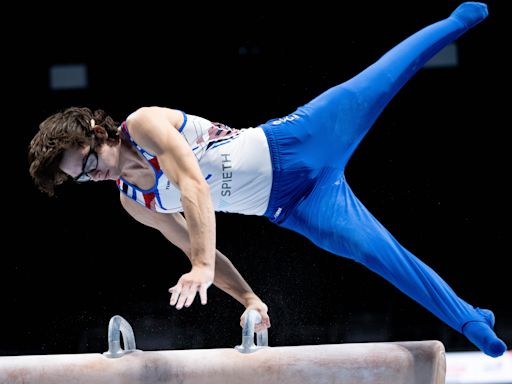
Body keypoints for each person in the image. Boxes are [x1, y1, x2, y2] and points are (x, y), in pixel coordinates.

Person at [28, 2, 507, 357]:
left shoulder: (144, 124)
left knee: (381, 78)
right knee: (381, 256)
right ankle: (471, 322)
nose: (97, 175)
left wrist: (199, 266)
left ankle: (455, 23)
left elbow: (193, 185)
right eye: (83, 180)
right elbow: (205, 250)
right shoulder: (134, 202)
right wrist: (247, 295)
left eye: (89, 164)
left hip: (297, 140)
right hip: (296, 206)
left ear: (96, 132)